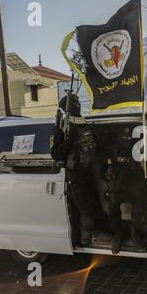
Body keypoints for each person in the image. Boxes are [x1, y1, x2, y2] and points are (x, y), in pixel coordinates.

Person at [51, 95, 97, 246]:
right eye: (73, 104)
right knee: (84, 208)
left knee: (92, 206)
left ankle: (91, 234)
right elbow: (56, 154)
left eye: (78, 103)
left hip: (90, 173)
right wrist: (69, 142)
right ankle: (84, 240)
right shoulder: (60, 129)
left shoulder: (84, 125)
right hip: (75, 176)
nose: (77, 106)